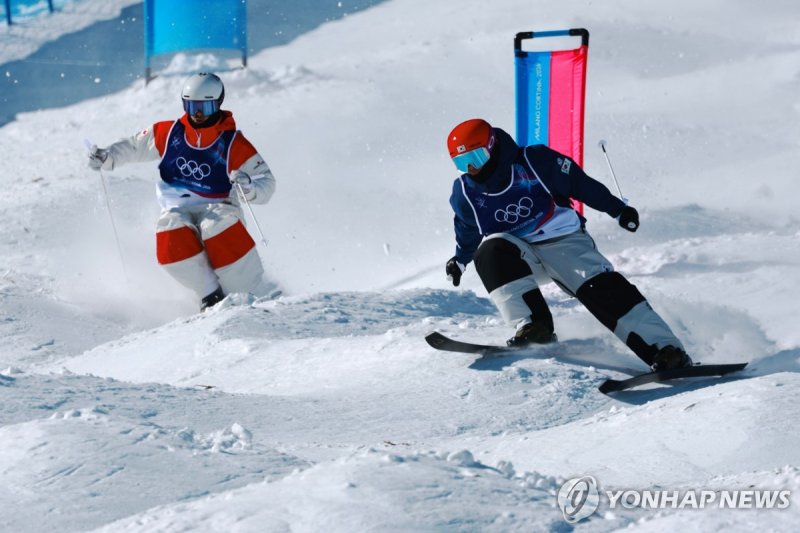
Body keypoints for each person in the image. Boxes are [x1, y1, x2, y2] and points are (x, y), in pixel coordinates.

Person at [444, 118, 691, 371]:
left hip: (564, 242)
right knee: (490, 251)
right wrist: (460, 260)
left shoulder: (533, 161)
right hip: (521, 255)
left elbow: (580, 184)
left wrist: (618, 210)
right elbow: (467, 230)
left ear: (492, 146)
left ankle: (665, 350)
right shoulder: (465, 193)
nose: (471, 168)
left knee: (600, 288)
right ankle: (534, 328)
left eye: (476, 157)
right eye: (462, 163)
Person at [88, 72, 276, 311]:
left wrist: (248, 187)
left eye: (205, 107)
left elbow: (266, 182)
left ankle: (250, 290)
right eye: (191, 106)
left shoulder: (233, 143)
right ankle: (210, 294)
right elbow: (134, 146)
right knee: (169, 233)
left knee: (216, 228)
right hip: (178, 206)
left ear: (218, 103)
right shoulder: (168, 132)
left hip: (219, 204)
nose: (198, 114)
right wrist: (108, 157)